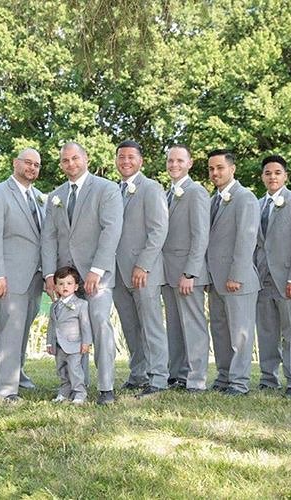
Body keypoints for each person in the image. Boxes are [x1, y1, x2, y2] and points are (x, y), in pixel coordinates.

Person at [41, 142, 123, 405]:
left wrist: (96, 270)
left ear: (86, 158)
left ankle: (106, 388)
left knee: (99, 324)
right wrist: (49, 275)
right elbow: (48, 237)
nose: (71, 164)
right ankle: (77, 387)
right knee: (71, 329)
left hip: (97, 275)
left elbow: (111, 230)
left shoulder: (106, 189)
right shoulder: (56, 196)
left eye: (75, 158)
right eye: (65, 160)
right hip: (66, 278)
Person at [0, 148, 46, 402]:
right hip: (9, 275)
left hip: (35, 276)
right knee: (10, 330)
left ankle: (18, 375)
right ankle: (5, 389)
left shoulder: (39, 197)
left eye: (36, 165)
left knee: (23, 329)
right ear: (14, 163)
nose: (32, 168)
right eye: (27, 162)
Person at [112, 140, 170, 398]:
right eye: (121, 157)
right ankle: (138, 374)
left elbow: (159, 230)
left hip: (144, 271)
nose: (125, 161)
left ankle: (158, 378)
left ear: (140, 161)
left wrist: (143, 265)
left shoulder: (151, 188)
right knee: (130, 326)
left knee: (151, 326)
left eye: (130, 157)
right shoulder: (114, 190)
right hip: (117, 271)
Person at [254, 155, 291, 398]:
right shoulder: (258, 204)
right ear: (262, 177)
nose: (272, 177)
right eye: (268, 173)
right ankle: (268, 379)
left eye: (277, 172)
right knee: (266, 332)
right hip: (263, 278)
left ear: (285, 176)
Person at [206, 149, 260, 395]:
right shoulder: (213, 200)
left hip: (238, 279)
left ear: (232, 169)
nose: (215, 173)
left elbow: (246, 239)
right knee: (220, 330)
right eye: (211, 169)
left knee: (240, 334)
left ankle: (239, 383)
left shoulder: (245, 197)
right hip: (216, 278)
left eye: (220, 168)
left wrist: (236, 275)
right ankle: (224, 376)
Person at [161, 145, 211, 394]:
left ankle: (197, 378)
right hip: (168, 272)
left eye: (180, 160)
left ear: (190, 163)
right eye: (171, 160)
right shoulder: (166, 193)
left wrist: (190, 272)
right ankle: (178, 374)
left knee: (193, 326)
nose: (174, 165)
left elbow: (201, 235)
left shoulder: (196, 192)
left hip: (188, 273)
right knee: (175, 327)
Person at [46, 266, 92, 404]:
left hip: (74, 345)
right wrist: (49, 342)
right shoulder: (54, 306)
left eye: (69, 283)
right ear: (56, 287)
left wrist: (86, 342)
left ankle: (79, 393)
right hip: (59, 345)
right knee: (62, 370)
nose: (65, 286)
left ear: (76, 287)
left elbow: (85, 325)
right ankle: (64, 392)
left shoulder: (81, 304)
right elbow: (52, 325)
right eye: (61, 284)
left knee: (74, 369)